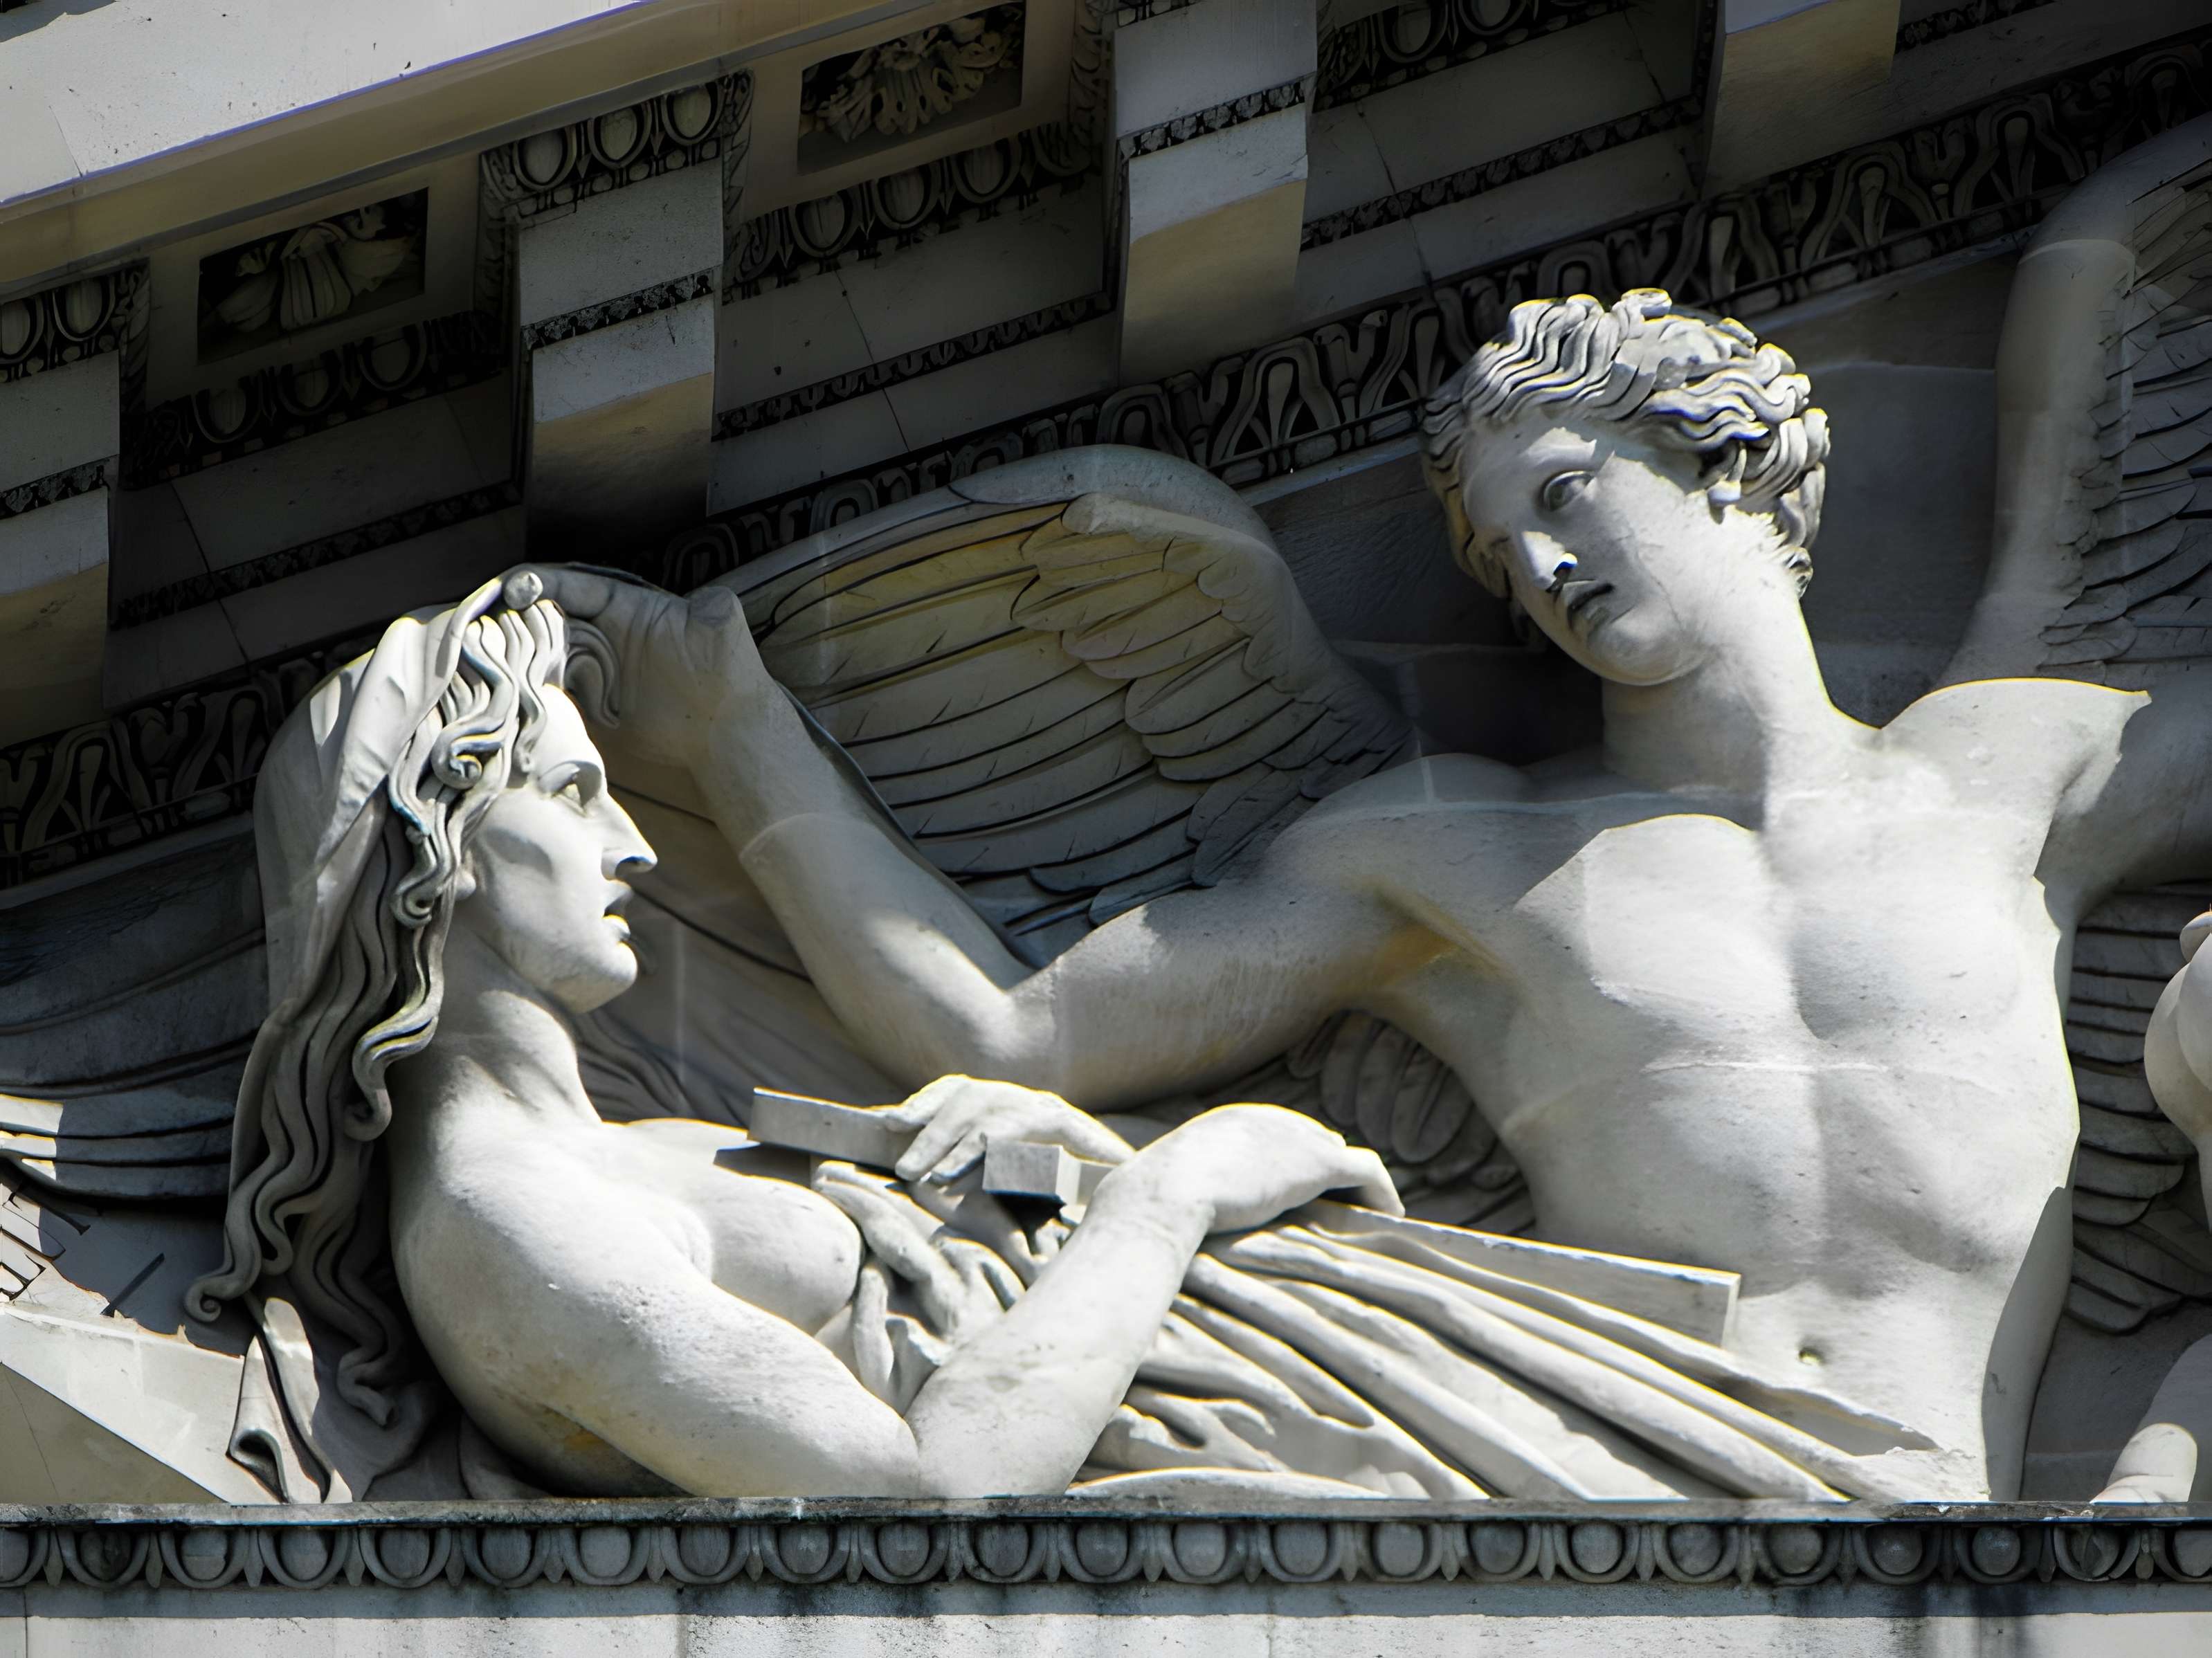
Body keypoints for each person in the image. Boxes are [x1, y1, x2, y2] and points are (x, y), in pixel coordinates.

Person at [525, 289, 2212, 1500]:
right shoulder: (1456, 854)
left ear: (1730, 463)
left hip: (1990, 1527)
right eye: (1502, 551)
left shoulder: (2020, 770)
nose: (1544, 568)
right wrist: (734, 730)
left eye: (1566, 493)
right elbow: (1001, 1024)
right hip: (1636, 1492)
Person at [187, 571, 1920, 1504]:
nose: (637, 843)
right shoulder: (507, 1222)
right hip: (1282, 1428)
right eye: (576, 793)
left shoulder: (607, 1147)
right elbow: (929, 1501)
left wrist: (1033, 1172)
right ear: (435, 848)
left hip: (1333, 1347)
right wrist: (1180, 1185)